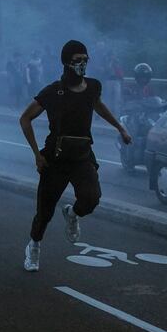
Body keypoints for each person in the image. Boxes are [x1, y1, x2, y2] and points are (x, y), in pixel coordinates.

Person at [18, 40, 131, 272]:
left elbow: (98, 106)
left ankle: (72, 213)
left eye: (85, 60)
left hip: (81, 155)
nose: (82, 64)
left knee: (91, 198)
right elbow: (25, 118)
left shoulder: (92, 87)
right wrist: (36, 154)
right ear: (66, 62)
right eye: (77, 60)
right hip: (55, 159)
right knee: (44, 212)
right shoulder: (53, 92)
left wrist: (120, 127)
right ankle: (34, 245)